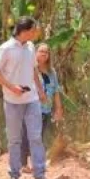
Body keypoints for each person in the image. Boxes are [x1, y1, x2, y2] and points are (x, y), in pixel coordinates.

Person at [0, 17, 53, 179]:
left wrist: (40, 91)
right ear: (24, 31)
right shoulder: (5, 48)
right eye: (33, 30)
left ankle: (39, 175)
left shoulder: (31, 47)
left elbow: (33, 70)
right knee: (14, 139)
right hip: (12, 101)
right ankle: (14, 174)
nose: (35, 33)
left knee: (35, 137)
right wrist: (12, 88)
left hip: (31, 99)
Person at [20, 43, 64, 171]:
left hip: (46, 109)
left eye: (46, 52)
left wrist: (58, 108)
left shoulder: (52, 72)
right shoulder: (30, 70)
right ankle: (23, 163)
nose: (44, 54)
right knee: (28, 135)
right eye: (41, 51)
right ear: (36, 53)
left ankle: (36, 163)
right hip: (31, 107)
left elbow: (56, 91)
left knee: (39, 136)